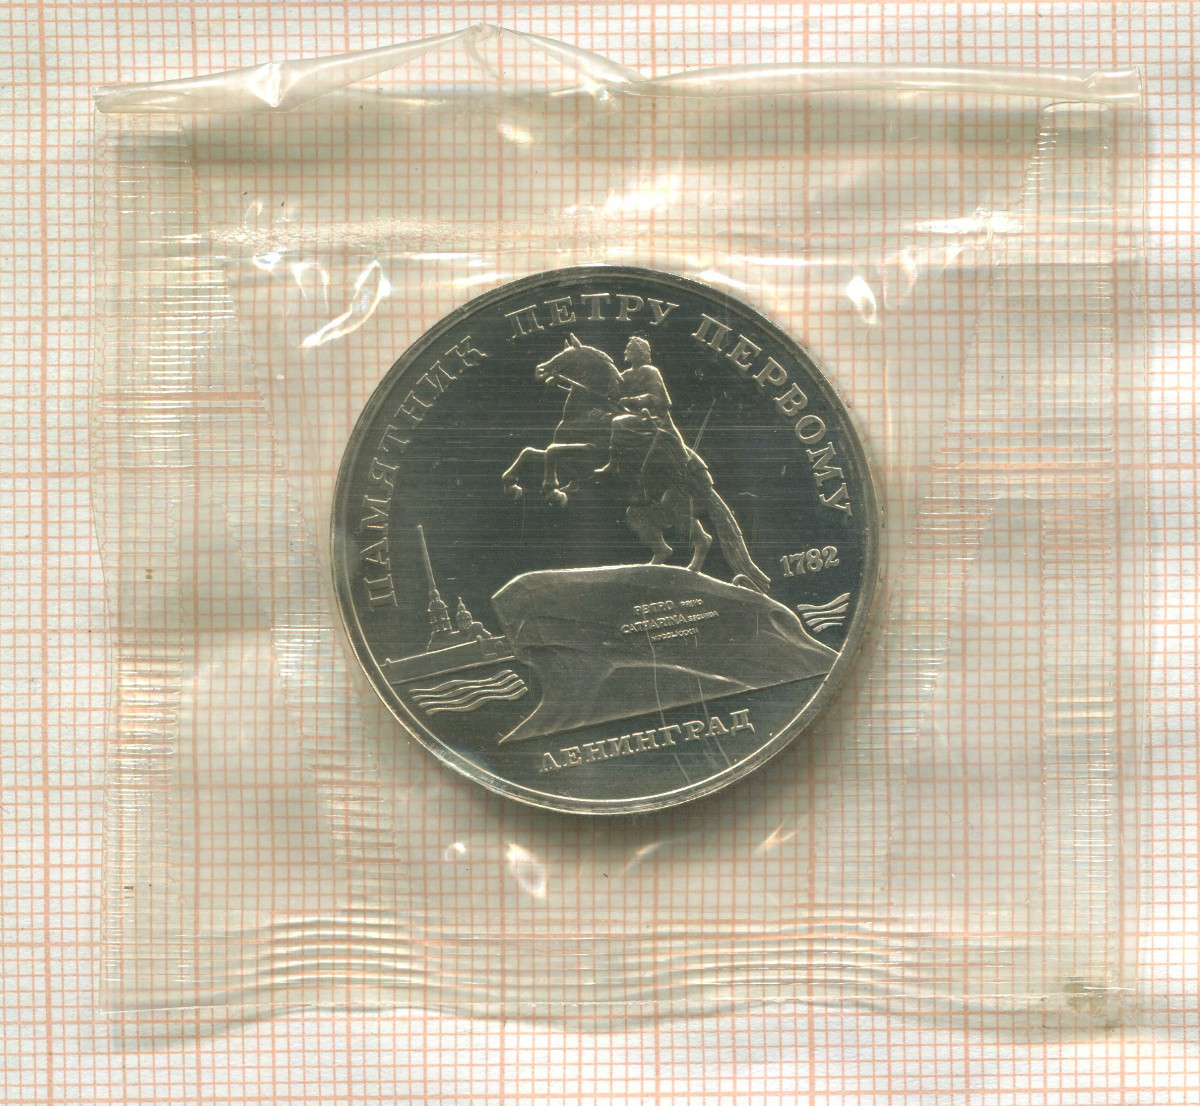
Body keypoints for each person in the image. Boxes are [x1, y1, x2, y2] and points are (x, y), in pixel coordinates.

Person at [595, 336, 693, 480]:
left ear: (640, 352)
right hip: (636, 415)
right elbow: (613, 394)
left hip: (654, 417)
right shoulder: (626, 374)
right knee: (604, 420)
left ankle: (614, 463)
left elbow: (657, 398)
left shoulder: (650, 371)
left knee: (617, 422)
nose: (625, 352)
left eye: (630, 349)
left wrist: (631, 401)